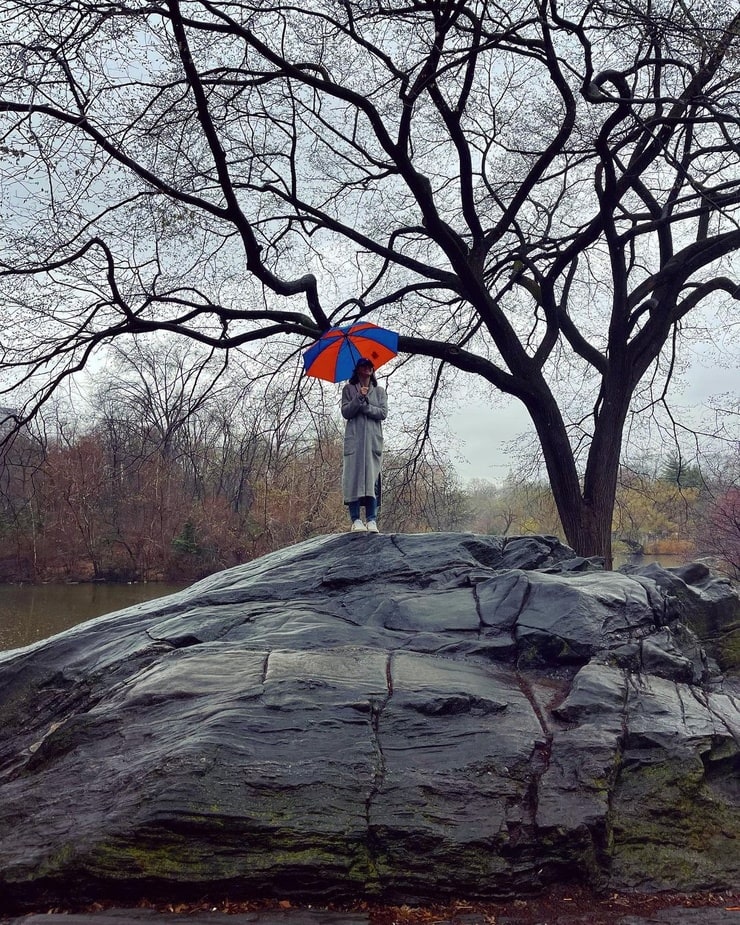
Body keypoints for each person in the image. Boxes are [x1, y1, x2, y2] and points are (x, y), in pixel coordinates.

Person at [341, 357, 388, 532]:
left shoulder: (380, 391)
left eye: (370, 366)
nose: (368, 368)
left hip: (372, 443)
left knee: (372, 479)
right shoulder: (348, 389)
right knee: (353, 479)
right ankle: (355, 520)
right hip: (355, 441)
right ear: (358, 369)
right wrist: (358, 398)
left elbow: (382, 412)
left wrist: (366, 407)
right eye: (364, 365)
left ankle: (371, 519)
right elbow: (346, 412)